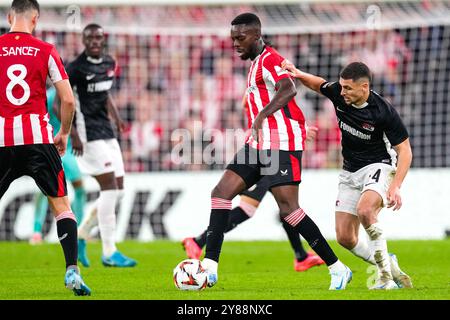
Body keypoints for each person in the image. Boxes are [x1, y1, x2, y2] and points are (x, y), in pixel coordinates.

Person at [201, 13, 352, 291]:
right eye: (232, 38)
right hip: (259, 143)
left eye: (240, 38)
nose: (235, 43)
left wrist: (263, 117)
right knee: (220, 194)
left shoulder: (269, 59)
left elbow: (288, 89)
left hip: (281, 143)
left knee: (289, 210)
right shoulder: (255, 62)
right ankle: (209, 268)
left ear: (256, 36)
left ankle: (338, 268)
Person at [283, 60, 413, 289]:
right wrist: (298, 73)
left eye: (348, 88)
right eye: (341, 87)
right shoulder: (339, 94)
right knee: (345, 237)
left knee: (365, 210)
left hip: (378, 165)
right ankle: (386, 262)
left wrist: (396, 186)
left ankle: (384, 277)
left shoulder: (383, 111)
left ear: (364, 87)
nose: (342, 92)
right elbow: (319, 85)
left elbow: (405, 151)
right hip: (350, 170)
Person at [0, 0, 90, 296]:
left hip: (3, 140)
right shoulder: (45, 50)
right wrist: (63, 132)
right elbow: (67, 100)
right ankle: (72, 271)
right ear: (35, 19)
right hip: (39, 139)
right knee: (61, 205)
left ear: (10, 16)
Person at [183, 124, 325, 272]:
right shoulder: (265, 103)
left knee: (287, 206)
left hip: (271, 148)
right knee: (251, 208)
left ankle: (301, 256)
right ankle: (198, 242)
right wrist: (298, 130)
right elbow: (265, 108)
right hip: (263, 151)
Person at [67, 23, 136, 268]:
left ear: (103, 39)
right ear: (84, 41)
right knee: (108, 188)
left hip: (106, 131)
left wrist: (116, 117)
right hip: (86, 135)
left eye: (99, 37)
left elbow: (104, 94)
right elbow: (60, 103)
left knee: (119, 191)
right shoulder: (74, 68)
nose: (95, 41)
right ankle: (109, 251)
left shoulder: (109, 63)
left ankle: (83, 233)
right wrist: (71, 132)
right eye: (90, 38)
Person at [29, 86, 86, 245]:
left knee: (80, 187)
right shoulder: (49, 95)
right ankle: (36, 231)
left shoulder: (74, 93)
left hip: (66, 148)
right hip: (50, 144)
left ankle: (79, 229)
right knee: (44, 190)